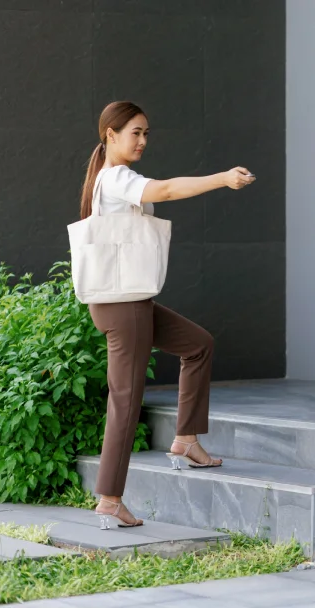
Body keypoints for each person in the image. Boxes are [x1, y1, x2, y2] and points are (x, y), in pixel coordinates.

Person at [80, 101, 256, 529]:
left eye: (146, 133)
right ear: (110, 136)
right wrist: (222, 179)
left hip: (128, 302)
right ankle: (109, 498)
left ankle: (185, 440)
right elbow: (167, 190)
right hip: (124, 307)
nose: (142, 141)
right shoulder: (117, 177)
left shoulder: (109, 178)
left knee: (198, 345)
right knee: (125, 399)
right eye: (134, 133)